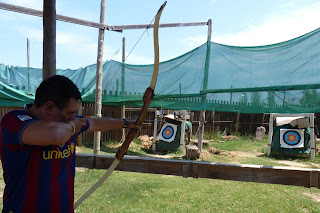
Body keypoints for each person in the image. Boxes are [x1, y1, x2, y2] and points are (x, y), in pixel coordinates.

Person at [0, 75, 139, 213]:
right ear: (49, 107)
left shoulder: (67, 123)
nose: (74, 117)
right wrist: (73, 126)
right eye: (70, 113)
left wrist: (125, 123)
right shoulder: (14, 121)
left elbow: (95, 123)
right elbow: (55, 135)